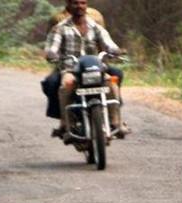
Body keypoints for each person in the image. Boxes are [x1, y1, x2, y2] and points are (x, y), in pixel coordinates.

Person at [43, 0, 128, 137]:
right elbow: (52, 48)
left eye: (83, 3)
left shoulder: (95, 26)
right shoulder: (60, 27)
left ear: (86, 5)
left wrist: (116, 51)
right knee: (66, 86)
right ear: (68, 5)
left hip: (95, 68)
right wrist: (51, 53)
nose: (79, 6)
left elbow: (108, 44)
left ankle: (116, 122)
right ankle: (66, 124)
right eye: (75, 3)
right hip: (71, 69)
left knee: (112, 84)